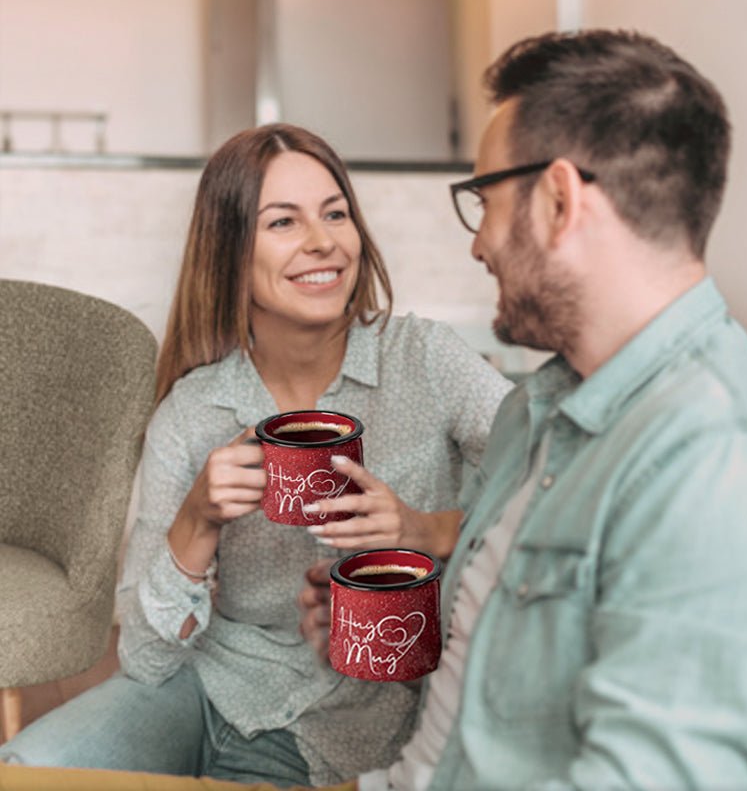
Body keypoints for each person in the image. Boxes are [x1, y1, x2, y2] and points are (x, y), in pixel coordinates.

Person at [3, 27, 747, 791]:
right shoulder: (549, 412)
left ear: (559, 203)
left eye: (481, 199)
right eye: (283, 222)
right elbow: (491, 636)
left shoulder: (725, 465)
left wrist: (417, 538)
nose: (474, 243)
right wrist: (371, 591)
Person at [0, 124, 511, 786]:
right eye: (283, 222)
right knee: (31, 769)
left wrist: (424, 529)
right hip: (208, 688)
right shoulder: (196, 410)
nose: (323, 241)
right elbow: (149, 661)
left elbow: (559, 487)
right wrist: (197, 523)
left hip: (353, 720)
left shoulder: (426, 360)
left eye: (336, 214)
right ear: (230, 251)